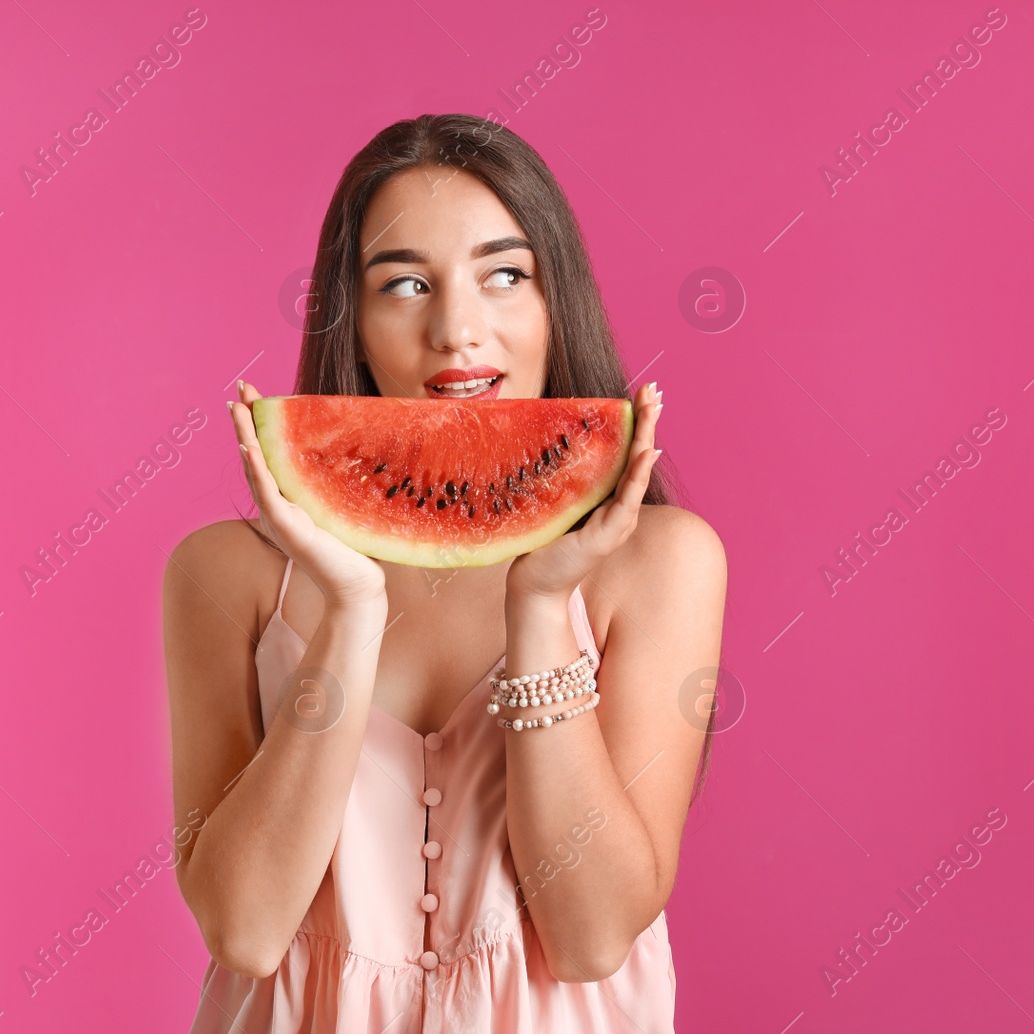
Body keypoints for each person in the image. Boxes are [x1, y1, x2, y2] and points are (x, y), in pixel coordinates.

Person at [163, 113, 727, 1033]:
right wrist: (348, 610)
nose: (457, 328)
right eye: (405, 283)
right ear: (354, 318)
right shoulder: (224, 576)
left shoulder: (660, 561)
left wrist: (543, 605)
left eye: (506, 274)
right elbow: (247, 930)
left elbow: (589, 937)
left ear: (558, 302)